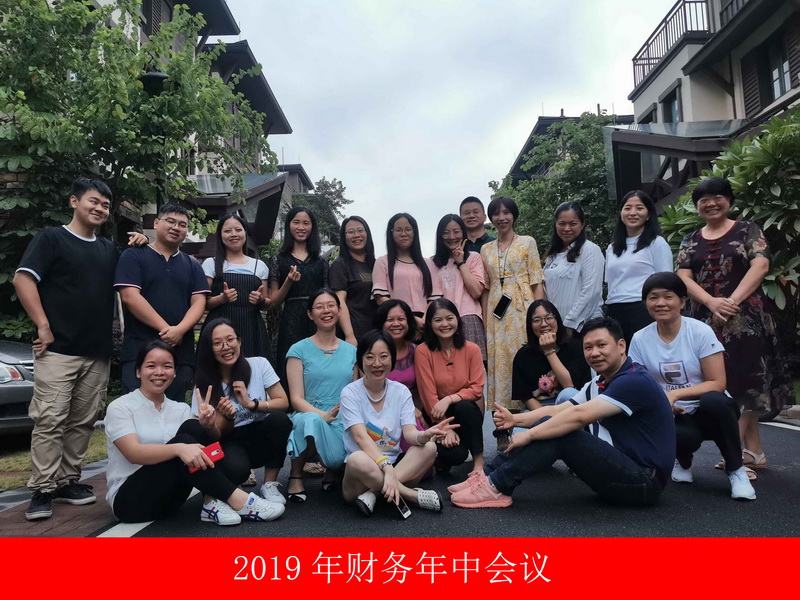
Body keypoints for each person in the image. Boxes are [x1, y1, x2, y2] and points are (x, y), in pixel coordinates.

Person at [13, 178, 147, 521]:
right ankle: (42, 488)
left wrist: (140, 242)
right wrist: (43, 325)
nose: (100, 208)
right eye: (93, 201)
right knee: (50, 419)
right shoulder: (51, 238)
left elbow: (130, 275)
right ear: (74, 201)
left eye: (105, 204)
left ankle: (67, 481)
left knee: (83, 421)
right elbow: (23, 279)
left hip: (97, 350)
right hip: (58, 348)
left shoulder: (107, 250)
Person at [449, 317, 675, 509]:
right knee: (553, 421)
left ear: (621, 346)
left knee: (563, 433)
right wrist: (515, 419)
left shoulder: (634, 380)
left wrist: (528, 434)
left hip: (643, 482)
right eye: (588, 347)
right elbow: (560, 409)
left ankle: (496, 486)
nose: (594, 353)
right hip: (622, 470)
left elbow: (578, 416)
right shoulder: (601, 381)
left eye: (601, 345)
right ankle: (487, 476)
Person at [676, 177, 795, 477]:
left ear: (729, 200)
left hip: (747, 320)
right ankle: (754, 451)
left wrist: (731, 302)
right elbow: (683, 277)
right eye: (704, 200)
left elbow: (761, 265)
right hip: (705, 323)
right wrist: (711, 302)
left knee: (745, 383)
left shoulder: (747, 229)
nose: (711, 204)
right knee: (726, 386)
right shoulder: (690, 239)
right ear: (697, 206)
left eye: (717, 197)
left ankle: (736, 458)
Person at [105, 341, 284, 525]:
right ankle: (240, 501)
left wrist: (209, 426)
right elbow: (133, 453)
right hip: (130, 502)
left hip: (172, 501)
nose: (159, 372)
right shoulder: (121, 407)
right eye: (151, 366)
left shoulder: (180, 409)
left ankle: (211, 502)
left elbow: (206, 446)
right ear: (138, 371)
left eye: (167, 366)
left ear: (175, 373)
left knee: (194, 427)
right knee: (184, 440)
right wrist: (178, 449)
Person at [629, 273, 756, 500]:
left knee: (714, 400)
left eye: (668, 296)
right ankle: (683, 459)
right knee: (665, 421)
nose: (660, 303)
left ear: (682, 302)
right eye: (653, 297)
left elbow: (717, 383)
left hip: (709, 411)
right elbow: (638, 383)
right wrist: (663, 402)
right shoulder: (639, 339)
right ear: (645, 303)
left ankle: (736, 470)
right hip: (674, 413)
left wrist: (673, 395)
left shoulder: (699, 331)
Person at [340, 330, 458, 516]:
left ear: (392, 359)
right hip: (361, 476)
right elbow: (360, 438)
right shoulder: (350, 392)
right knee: (357, 458)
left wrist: (424, 435)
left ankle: (373, 493)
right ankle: (410, 495)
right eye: (369, 357)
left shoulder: (401, 391)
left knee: (429, 447)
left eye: (383, 356)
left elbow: (409, 432)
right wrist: (386, 467)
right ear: (360, 360)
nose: (377, 363)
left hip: (396, 469)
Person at [192, 318, 293, 505]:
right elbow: (214, 436)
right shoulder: (204, 382)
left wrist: (251, 403)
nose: (226, 346)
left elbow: (283, 402)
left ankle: (269, 484)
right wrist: (225, 417)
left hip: (260, 432)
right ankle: (231, 486)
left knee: (280, 420)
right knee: (237, 469)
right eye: (217, 343)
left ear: (239, 341)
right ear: (209, 349)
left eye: (230, 339)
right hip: (230, 439)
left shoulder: (259, 364)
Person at [115, 203, 210, 399]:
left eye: (182, 224)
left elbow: (199, 302)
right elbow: (130, 297)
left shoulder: (192, 265)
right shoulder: (134, 256)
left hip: (180, 354)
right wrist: (167, 330)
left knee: (174, 409)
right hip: (140, 349)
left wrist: (180, 330)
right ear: (156, 223)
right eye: (171, 221)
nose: (176, 227)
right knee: (136, 408)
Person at [480, 196, 544, 442]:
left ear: (514, 215)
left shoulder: (528, 242)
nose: (501, 217)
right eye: (496, 213)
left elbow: (536, 281)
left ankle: (533, 424)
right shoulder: (486, 249)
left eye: (506, 212)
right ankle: (502, 430)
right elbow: (486, 288)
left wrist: (539, 315)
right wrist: (486, 319)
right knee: (500, 367)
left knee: (524, 359)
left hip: (522, 308)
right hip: (497, 313)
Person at [285, 289, 357, 501]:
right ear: (310, 314)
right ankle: (295, 475)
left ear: (339, 310)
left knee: (337, 458)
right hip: (308, 411)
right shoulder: (298, 350)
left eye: (331, 305)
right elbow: (296, 399)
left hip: (343, 415)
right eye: (319, 307)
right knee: (309, 420)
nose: (326, 311)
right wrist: (321, 415)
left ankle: (333, 470)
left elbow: (355, 392)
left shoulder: (352, 351)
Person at [415, 299, 486, 474]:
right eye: (438, 320)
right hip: (436, 413)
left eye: (449, 318)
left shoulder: (472, 349)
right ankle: (442, 456)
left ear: (457, 320)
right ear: (430, 324)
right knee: (456, 455)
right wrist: (445, 427)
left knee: (465, 406)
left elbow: (477, 388)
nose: (445, 324)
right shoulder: (423, 351)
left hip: (465, 411)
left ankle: (479, 461)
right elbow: (427, 395)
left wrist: (448, 399)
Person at [604, 190, 673, 346]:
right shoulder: (612, 248)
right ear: (621, 214)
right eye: (627, 208)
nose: (633, 213)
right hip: (614, 310)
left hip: (643, 310)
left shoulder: (657, 243)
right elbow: (611, 283)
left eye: (639, 208)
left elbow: (667, 282)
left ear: (648, 215)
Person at [269, 206, 328, 381]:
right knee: (291, 364)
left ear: (312, 227)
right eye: (296, 222)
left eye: (306, 223)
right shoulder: (279, 260)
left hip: (317, 319)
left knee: (318, 366)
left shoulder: (321, 262)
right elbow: (274, 302)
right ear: (288, 225)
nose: (301, 227)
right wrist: (288, 281)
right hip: (290, 321)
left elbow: (327, 296)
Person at [202, 213, 271, 361]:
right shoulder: (210, 263)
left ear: (245, 233)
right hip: (218, 328)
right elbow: (202, 303)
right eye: (227, 231)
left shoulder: (259, 265)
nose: (233, 234)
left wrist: (260, 300)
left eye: (238, 230)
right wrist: (222, 299)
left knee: (253, 369)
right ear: (220, 235)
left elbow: (267, 303)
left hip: (252, 328)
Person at [511, 300, 590, 411]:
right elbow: (526, 397)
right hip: (538, 408)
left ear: (557, 320)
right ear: (530, 325)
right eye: (536, 320)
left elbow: (569, 386)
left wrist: (549, 351)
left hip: (569, 405)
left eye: (549, 318)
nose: (544, 324)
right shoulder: (523, 355)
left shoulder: (575, 347)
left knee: (568, 393)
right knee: (522, 422)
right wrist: (546, 415)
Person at [431, 214, 487, 362]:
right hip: (441, 321)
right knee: (445, 365)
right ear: (440, 236)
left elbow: (476, 291)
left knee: (473, 366)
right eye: (446, 232)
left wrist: (460, 262)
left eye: (456, 231)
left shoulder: (473, 257)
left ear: (463, 232)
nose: (452, 236)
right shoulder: (432, 263)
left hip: (468, 318)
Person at [372, 213, 442, 330]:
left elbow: (434, 298)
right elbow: (380, 298)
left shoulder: (429, 263)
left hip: (427, 322)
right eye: (398, 230)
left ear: (414, 232)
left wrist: (423, 321)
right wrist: (410, 319)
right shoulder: (382, 262)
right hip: (396, 323)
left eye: (408, 229)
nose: (403, 234)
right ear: (391, 233)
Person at [543, 201, 603, 336]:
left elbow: (591, 291)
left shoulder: (590, 250)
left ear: (582, 225)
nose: (567, 228)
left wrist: (570, 324)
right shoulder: (552, 256)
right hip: (557, 329)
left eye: (573, 224)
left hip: (583, 328)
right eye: (562, 223)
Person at [328, 216, 377, 346]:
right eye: (350, 232)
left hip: (378, 333)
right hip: (355, 335)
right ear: (344, 237)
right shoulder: (340, 265)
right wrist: (349, 335)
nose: (356, 235)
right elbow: (339, 301)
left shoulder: (376, 264)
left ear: (367, 233)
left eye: (360, 230)